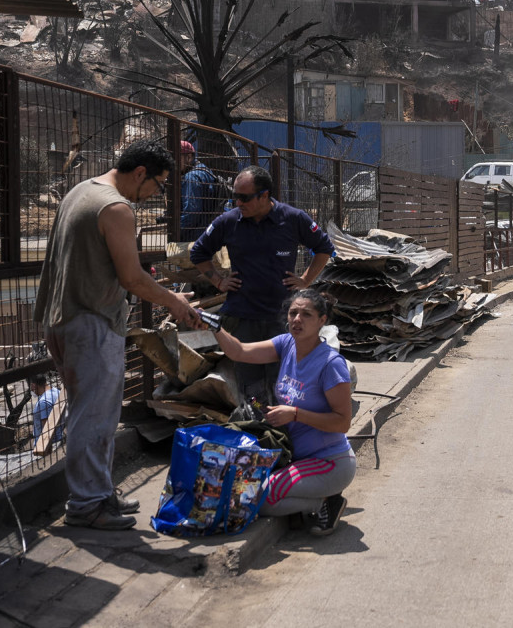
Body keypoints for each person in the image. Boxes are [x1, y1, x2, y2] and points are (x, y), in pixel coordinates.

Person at [34, 139, 202, 530]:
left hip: (62, 319)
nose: (156, 194)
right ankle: (87, 505)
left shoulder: (82, 190)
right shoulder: (116, 208)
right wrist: (175, 303)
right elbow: (132, 277)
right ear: (140, 173)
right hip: (90, 322)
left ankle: (99, 492)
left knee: (94, 413)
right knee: (93, 416)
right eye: (158, 184)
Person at [215, 289, 354, 535]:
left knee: (256, 498)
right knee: (237, 485)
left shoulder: (331, 365)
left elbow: (343, 423)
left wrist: (296, 413)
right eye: (293, 313)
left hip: (329, 462)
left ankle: (325, 501)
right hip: (295, 458)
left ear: (322, 320)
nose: (297, 319)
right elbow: (239, 352)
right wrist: (214, 327)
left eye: (306, 314)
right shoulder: (286, 343)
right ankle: (307, 502)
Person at [190, 166, 336, 400]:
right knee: (251, 388)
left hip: (282, 320)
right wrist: (218, 281)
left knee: (285, 383)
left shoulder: (292, 219)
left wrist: (306, 280)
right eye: (235, 196)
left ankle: (284, 432)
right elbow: (198, 253)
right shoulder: (228, 222)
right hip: (244, 318)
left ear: (264, 196)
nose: (238, 202)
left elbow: (324, 248)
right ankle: (255, 428)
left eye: (244, 197)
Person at [178, 141, 225, 242]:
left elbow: (191, 213)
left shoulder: (191, 177)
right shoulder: (204, 170)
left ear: (189, 157)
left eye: (178, 157)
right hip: (208, 231)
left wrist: (176, 232)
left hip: (194, 236)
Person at [29, 374, 64, 448]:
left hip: (46, 444)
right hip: (59, 437)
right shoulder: (57, 392)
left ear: (33, 385)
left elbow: (47, 428)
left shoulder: (43, 402)